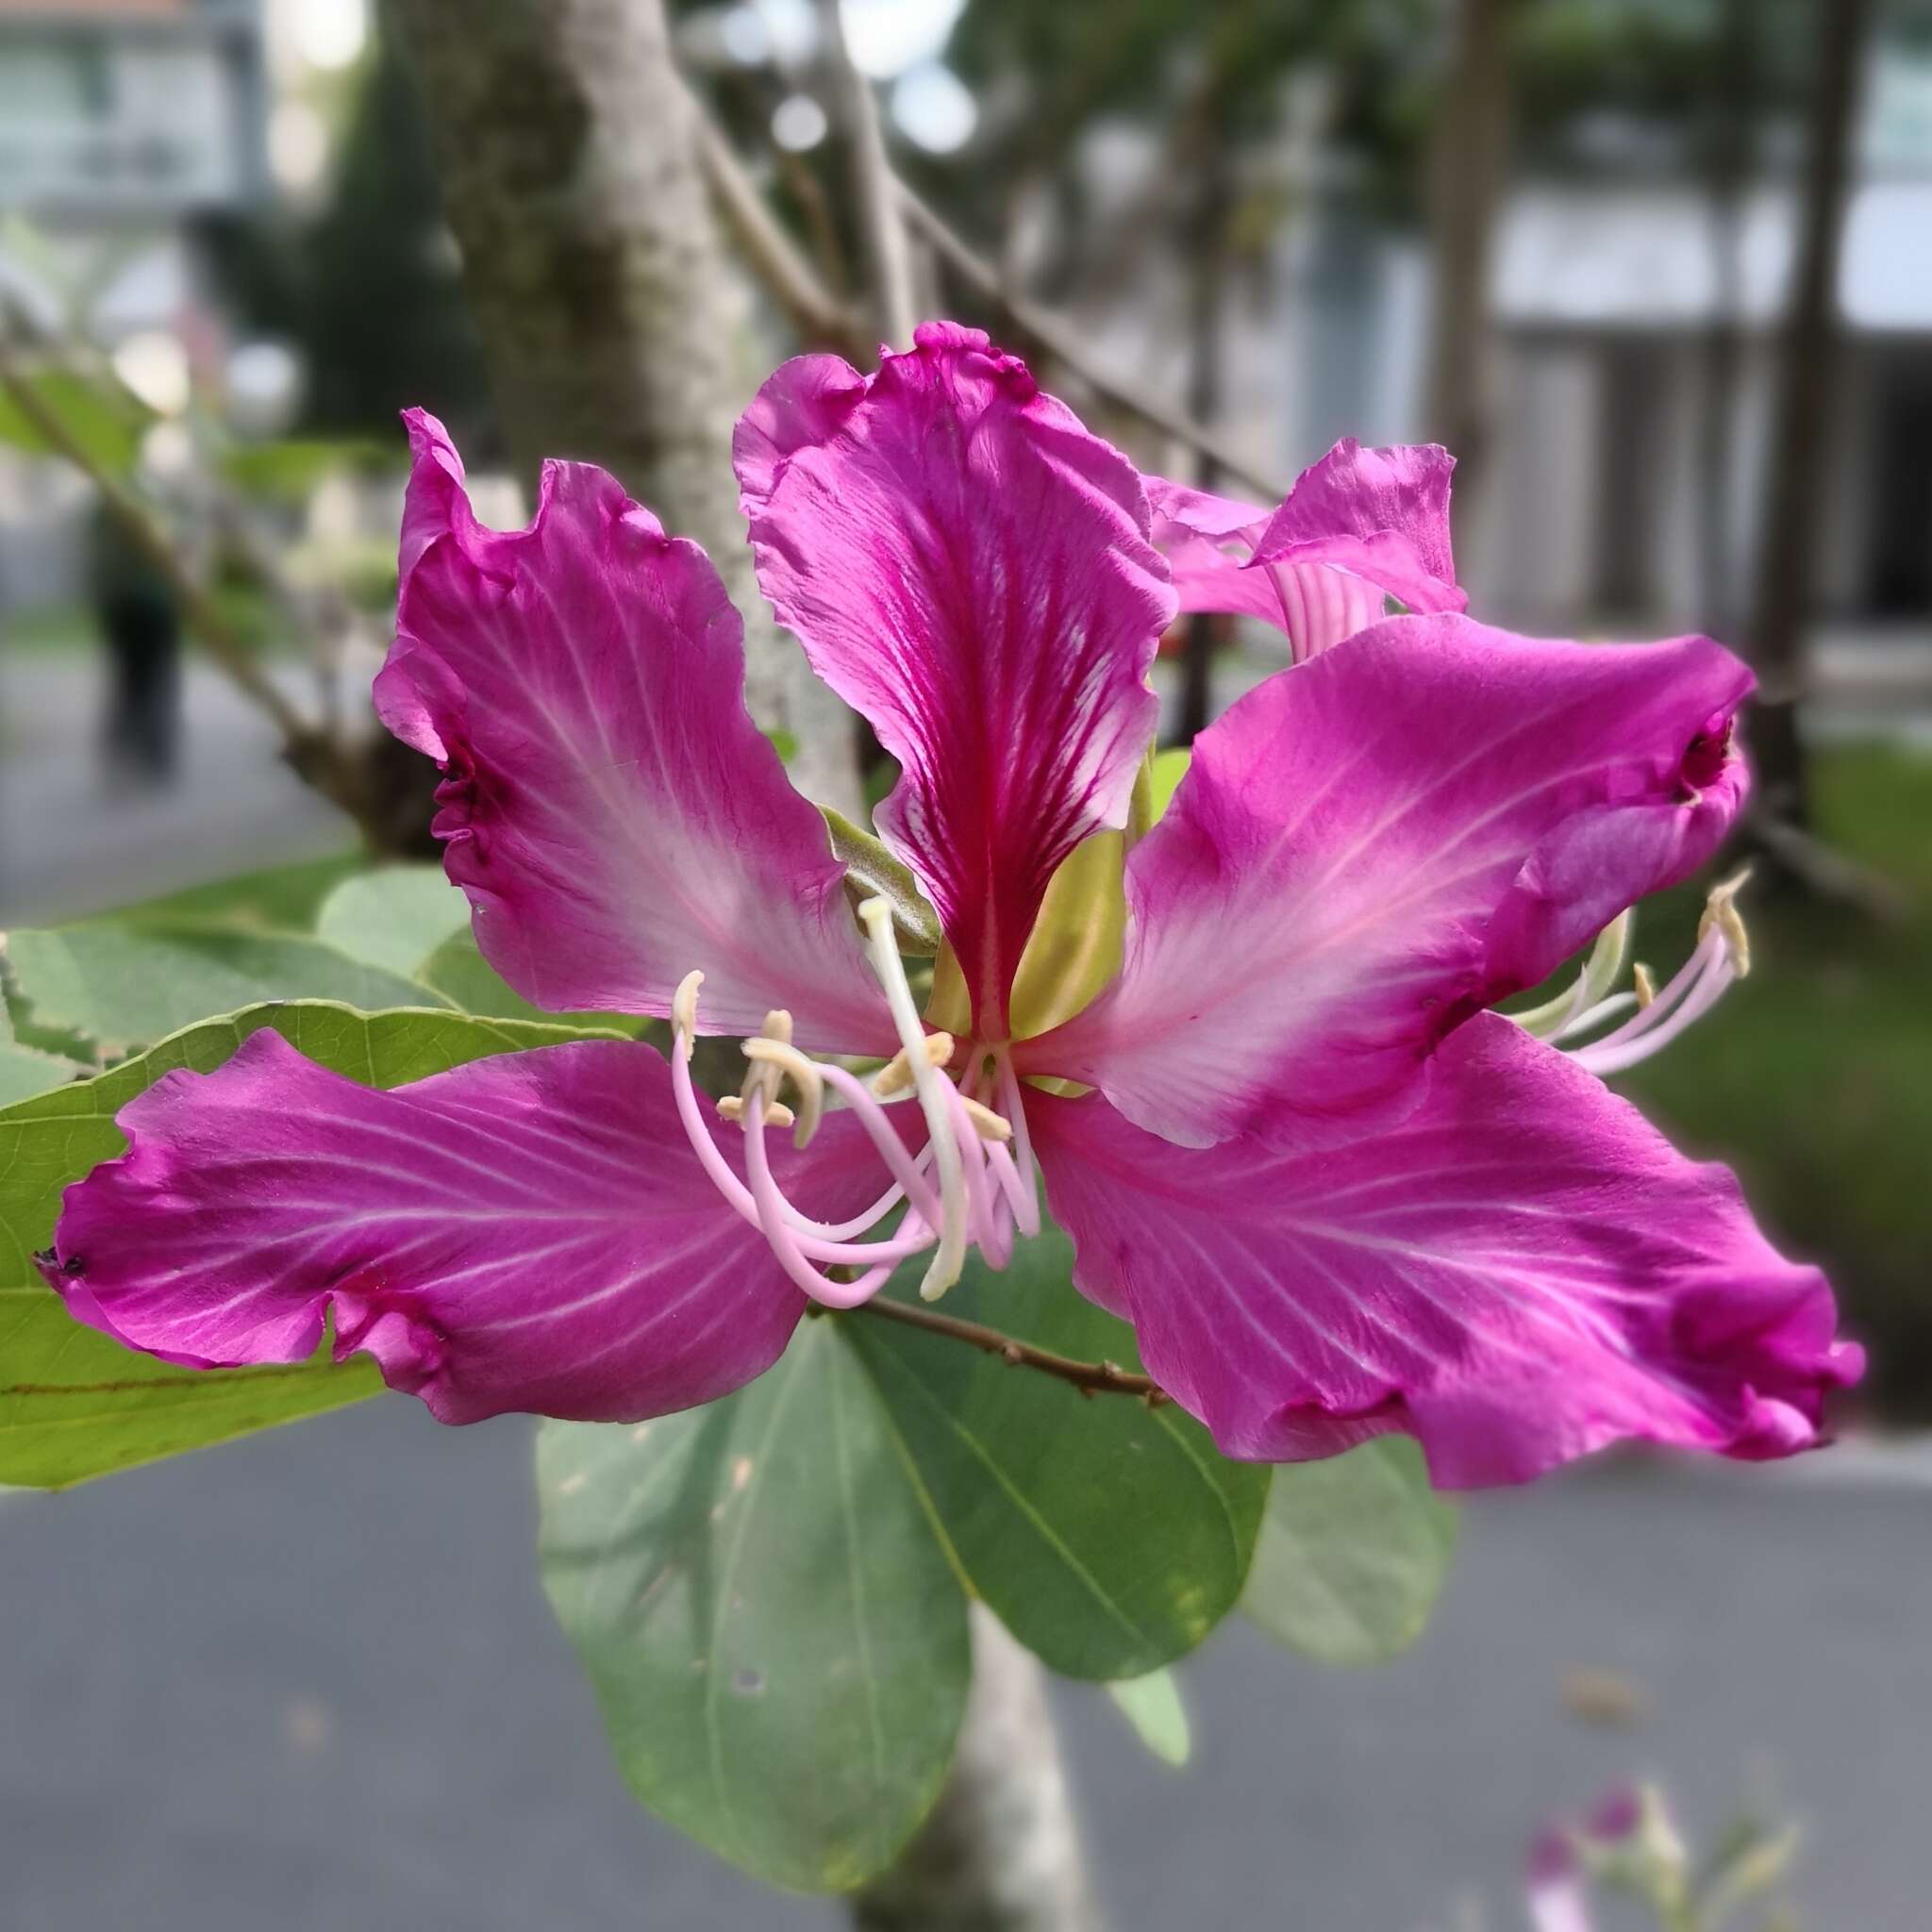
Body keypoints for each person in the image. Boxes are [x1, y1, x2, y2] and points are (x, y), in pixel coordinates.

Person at [87, 494, 181, 785]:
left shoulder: (107, 522)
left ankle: (136, 752)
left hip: (133, 611)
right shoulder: (151, 519)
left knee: (135, 685)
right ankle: (146, 753)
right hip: (145, 612)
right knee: (146, 685)